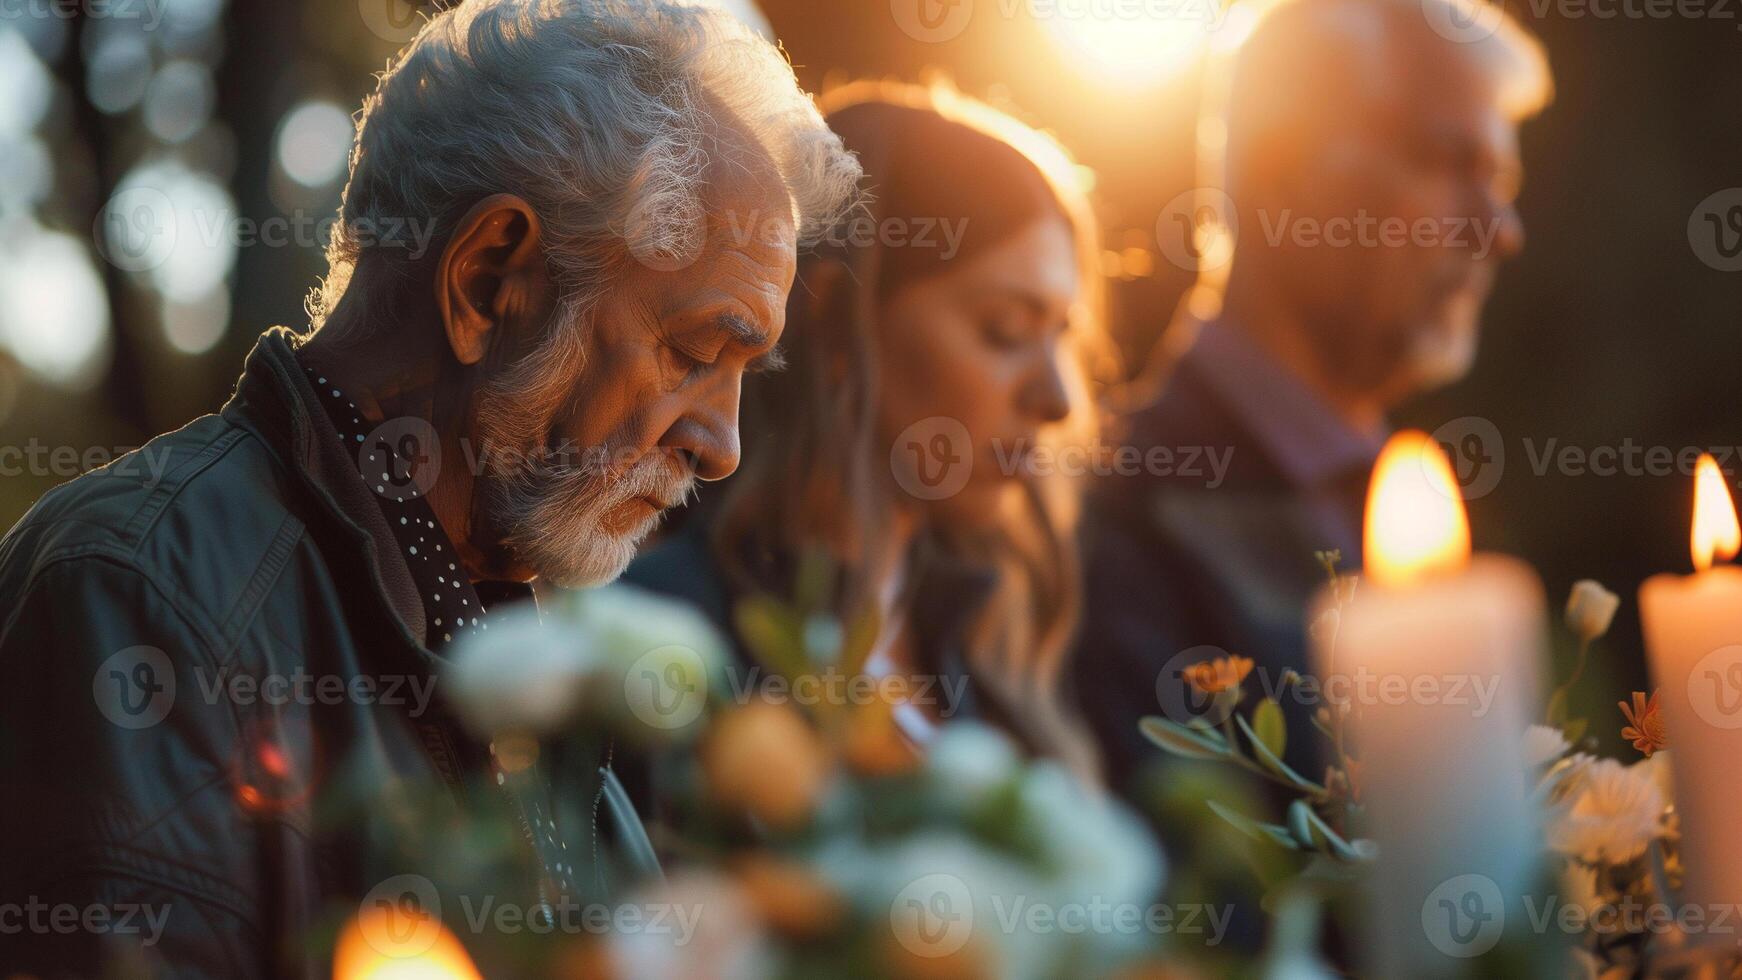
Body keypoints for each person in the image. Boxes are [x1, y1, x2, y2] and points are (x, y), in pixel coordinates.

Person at [0, 1, 859, 975]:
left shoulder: (544, 681)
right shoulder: (142, 593)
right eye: (696, 351)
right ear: (491, 280)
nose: (722, 445)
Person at [1075, 0, 1554, 795]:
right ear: (1283, 167)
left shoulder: (1422, 513)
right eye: (1448, 161)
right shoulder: (1115, 517)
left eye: (1501, 181)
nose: (1500, 230)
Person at [627, 81, 1114, 781]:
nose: (1059, 399)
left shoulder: (992, 658)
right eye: (1005, 330)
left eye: (1060, 337)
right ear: (831, 322)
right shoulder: (668, 640)